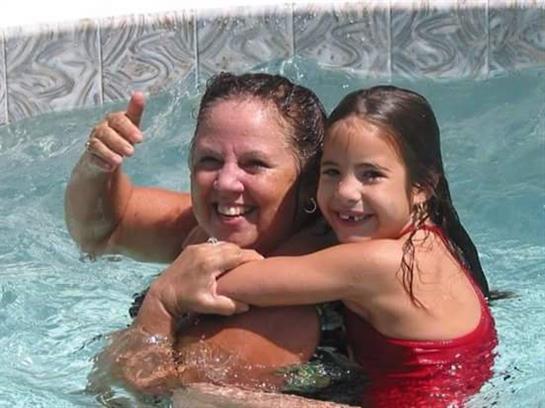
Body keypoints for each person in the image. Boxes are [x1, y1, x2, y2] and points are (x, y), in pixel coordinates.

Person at [148, 85, 498, 407]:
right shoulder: (432, 239)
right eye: (331, 172)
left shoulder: (380, 263)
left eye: (370, 174)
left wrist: (170, 287)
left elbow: (224, 281)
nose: (345, 192)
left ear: (423, 185)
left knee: (198, 398)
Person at [66, 72, 357, 403]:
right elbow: (103, 229)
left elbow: (161, 397)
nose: (225, 182)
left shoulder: (286, 308)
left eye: (254, 164)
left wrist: (161, 304)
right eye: (210, 160)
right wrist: (98, 165)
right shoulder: (218, 230)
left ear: (308, 184)